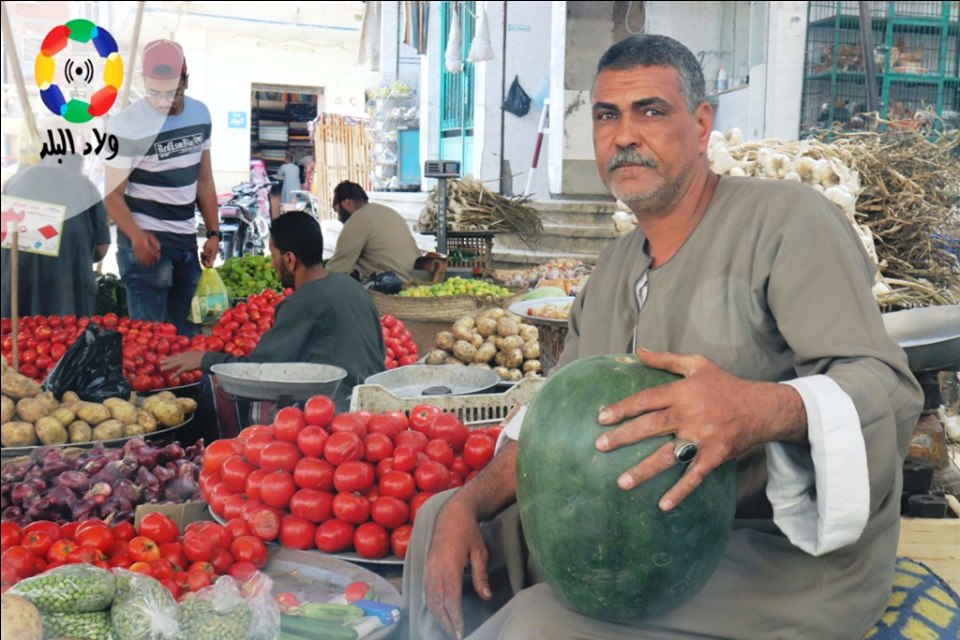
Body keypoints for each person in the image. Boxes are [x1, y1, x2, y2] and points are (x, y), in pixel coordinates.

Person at [402, 34, 923, 640]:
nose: (625, 135)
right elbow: (552, 417)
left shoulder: (788, 222)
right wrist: (472, 501)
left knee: (538, 625)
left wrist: (757, 409)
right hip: (627, 529)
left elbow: (884, 385)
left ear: (701, 126)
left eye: (650, 111)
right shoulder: (613, 269)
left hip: (766, 548)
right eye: (607, 115)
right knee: (439, 523)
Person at [161, 211, 385, 412]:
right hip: (376, 404)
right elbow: (378, 353)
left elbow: (261, 371)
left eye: (273, 255)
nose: (271, 264)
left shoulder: (302, 302)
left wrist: (205, 359)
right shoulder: (351, 286)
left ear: (290, 259)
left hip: (333, 414)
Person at [104, 39, 221, 336]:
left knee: (188, 341)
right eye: (154, 92)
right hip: (145, 249)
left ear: (186, 81)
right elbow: (112, 195)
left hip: (185, 244)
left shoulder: (201, 115)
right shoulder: (125, 125)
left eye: (172, 92)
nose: (162, 101)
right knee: (149, 344)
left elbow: (204, 180)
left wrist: (213, 232)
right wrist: (136, 236)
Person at [1, 144, 110, 318]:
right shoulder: (85, 185)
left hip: (17, 259)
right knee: (67, 323)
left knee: (16, 321)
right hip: (68, 267)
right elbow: (102, 246)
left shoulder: (15, 179)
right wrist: (85, 262)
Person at [326, 180, 423, 283]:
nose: (338, 218)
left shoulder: (357, 220)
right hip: (417, 282)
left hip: (395, 286)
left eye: (337, 210)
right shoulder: (387, 212)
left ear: (346, 203)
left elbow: (338, 268)